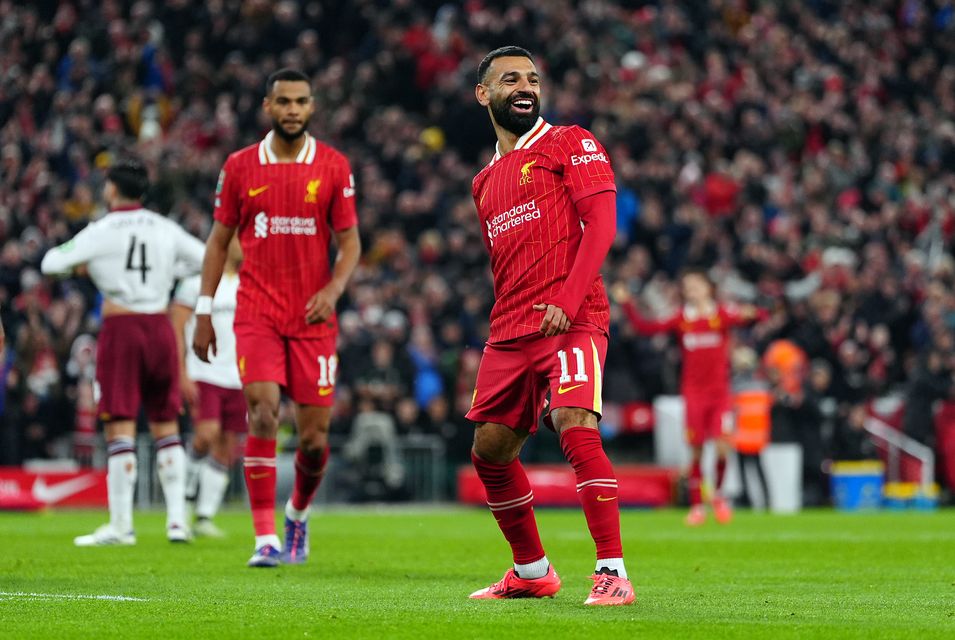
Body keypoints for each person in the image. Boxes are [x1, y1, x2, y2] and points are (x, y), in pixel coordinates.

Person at [465, 47, 633, 606]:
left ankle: (612, 572)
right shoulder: (484, 179)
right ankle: (532, 570)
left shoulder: (570, 142)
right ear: (483, 95)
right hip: (511, 328)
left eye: (532, 79)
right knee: (489, 450)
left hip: (573, 314)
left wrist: (566, 297)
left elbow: (602, 224)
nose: (525, 86)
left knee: (573, 418)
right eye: (509, 78)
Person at [192, 68, 361, 567]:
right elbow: (218, 241)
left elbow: (350, 242)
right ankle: (264, 537)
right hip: (257, 312)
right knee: (262, 412)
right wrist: (204, 311)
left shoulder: (333, 166)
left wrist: (334, 289)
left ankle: (297, 516)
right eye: (283, 101)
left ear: (312, 107)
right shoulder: (241, 166)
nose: (292, 110)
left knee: (313, 440)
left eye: (301, 102)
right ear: (268, 106)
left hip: (312, 318)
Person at [40, 156, 205, 545]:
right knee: (167, 425)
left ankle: (121, 525)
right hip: (160, 326)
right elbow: (205, 259)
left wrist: (79, 268)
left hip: (121, 328)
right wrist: (178, 287)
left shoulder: (102, 230)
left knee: (120, 425)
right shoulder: (166, 229)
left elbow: (50, 263)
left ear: (112, 189)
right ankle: (177, 521)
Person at [616, 268, 765, 526]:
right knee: (695, 452)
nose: (691, 290)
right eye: (688, 286)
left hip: (719, 394)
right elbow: (645, 327)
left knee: (721, 446)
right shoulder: (682, 319)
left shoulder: (722, 315)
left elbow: (759, 316)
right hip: (694, 394)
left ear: (708, 288)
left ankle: (717, 496)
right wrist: (627, 303)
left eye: (696, 285)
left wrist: (756, 311)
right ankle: (697, 506)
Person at [171, 237, 245, 538]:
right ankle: (183, 500)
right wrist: (182, 373)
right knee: (206, 435)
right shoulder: (194, 283)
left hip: (238, 376)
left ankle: (204, 515)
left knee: (227, 445)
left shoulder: (247, 283)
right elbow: (176, 327)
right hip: (205, 371)